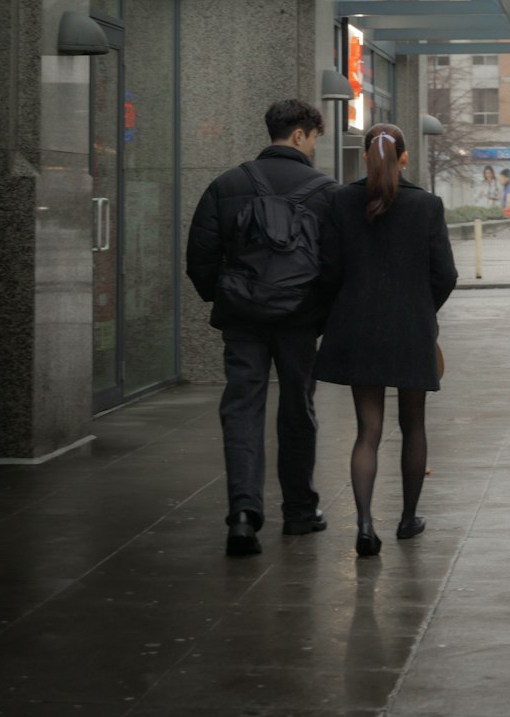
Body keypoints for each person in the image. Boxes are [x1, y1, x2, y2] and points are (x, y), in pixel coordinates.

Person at [186, 98, 336, 557]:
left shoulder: (226, 184)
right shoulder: (326, 191)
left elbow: (201, 258)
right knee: (298, 407)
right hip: (299, 319)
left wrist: (231, 296)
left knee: (242, 407)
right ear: (299, 135)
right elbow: (337, 264)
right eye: (313, 139)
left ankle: (244, 515)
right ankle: (299, 511)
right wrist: (318, 309)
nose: (313, 148)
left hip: (244, 319)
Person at [315, 123, 458, 557]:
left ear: (363, 157)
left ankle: (363, 523)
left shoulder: (339, 201)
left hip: (357, 327)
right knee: (413, 424)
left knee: (368, 430)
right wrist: (422, 309)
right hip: (411, 328)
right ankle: (407, 519)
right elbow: (445, 274)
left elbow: (328, 269)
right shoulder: (426, 205)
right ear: (405, 157)